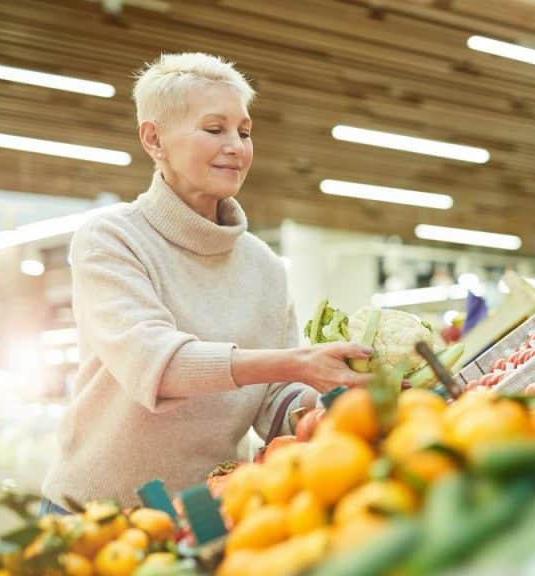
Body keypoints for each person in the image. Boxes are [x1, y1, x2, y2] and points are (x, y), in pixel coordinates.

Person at [40, 53, 372, 515]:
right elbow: (159, 364)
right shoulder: (111, 239)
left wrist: (333, 395)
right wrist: (300, 361)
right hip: (92, 515)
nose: (236, 146)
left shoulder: (265, 267)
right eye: (214, 130)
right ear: (154, 139)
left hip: (204, 518)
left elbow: (275, 401)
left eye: (245, 131)